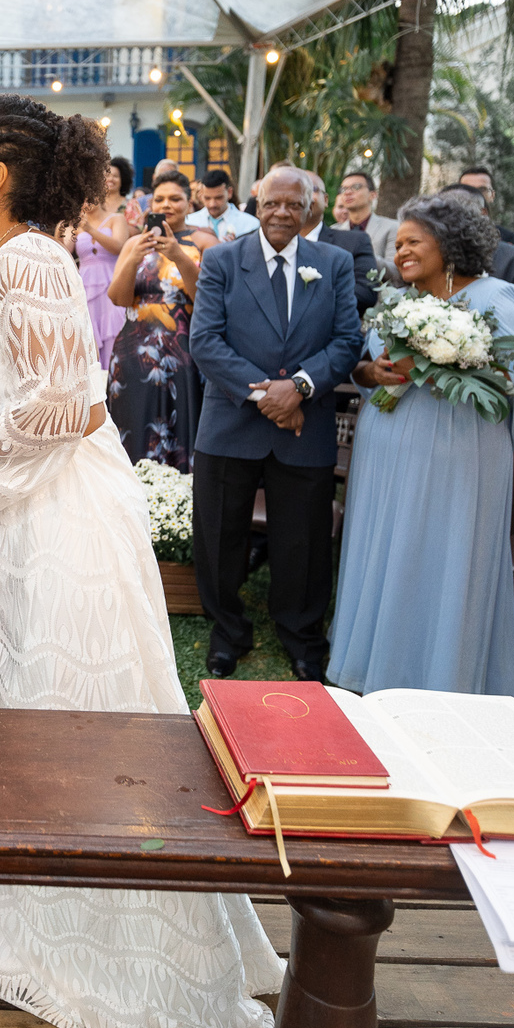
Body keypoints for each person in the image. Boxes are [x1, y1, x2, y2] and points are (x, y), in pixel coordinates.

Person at [0, 94, 282, 1028]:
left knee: (73, 719)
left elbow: (73, 410)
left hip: (64, 527)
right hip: (16, 521)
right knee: (22, 715)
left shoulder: (34, 261)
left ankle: (121, 950)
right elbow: (13, 390)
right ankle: (34, 921)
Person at [328, 196, 514, 695]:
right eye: (398, 244)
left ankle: (445, 677)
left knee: (446, 554)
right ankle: (377, 670)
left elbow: (513, 381)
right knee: (387, 548)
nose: (401, 252)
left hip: (462, 453)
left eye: (413, 241)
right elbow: (363, 367)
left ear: (448, 244)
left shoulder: (497, 298)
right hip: (388, 447)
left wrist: (458, 367)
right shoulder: (396, 301)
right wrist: (372, 372)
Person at [189, 167, 363, 680]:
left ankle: (303, 637)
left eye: (293, 204)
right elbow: (206, 341)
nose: (282, 213)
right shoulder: (221, 260)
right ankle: (227, 631)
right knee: (219, 536)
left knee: (303, 541)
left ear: (310, 208)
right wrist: (267, 395)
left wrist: (301, 387)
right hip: (232, 423)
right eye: (272, 203)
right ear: (256, 206)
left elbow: (347, 340)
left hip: (304, 427)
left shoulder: (333, 263)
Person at [106, 170, 216, 469]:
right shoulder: (135, 243)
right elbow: (118, 298)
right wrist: (133, 258)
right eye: (159, 199)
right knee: (133, 427)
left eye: (175, 199)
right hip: (132, 354)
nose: (166, 204)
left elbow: (207, 298)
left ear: (189, 203)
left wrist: (179, 256)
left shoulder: (205, 242)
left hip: (182, 353)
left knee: (180, 430)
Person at [71, 157, 133, 368]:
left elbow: (119, 246)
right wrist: (65, 227)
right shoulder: (76, 223)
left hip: (111, 280)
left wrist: (90, 229)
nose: (87, 201)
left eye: (91, 195)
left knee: (114, 333)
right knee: (87, 337)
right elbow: (63, 250)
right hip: (85, 284)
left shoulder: (117, 219)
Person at [301, 171, 377, 313]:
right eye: (296, 190)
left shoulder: (353, 242)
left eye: (312, 189)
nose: (302, 196)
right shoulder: (267, 245)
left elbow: (365, 294)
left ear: (325, 199)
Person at [441, 184, 514, 282]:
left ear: (483, 213)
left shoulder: (512, 259)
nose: (451, 218)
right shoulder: (432, 256)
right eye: (442, 212)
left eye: (461, 210)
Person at [334, 168, 399, 272]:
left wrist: (362, 254)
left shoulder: (392, 227)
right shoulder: (334, 231)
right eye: (343, 189)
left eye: (356, 187)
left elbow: (395, 270)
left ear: (373, 195)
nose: (347, 192)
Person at [186, 168, 260, 242]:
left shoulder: (250, 225)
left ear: (229, 192)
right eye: (207, 198)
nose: (212, 204)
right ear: (201, 195)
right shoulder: (189, 222)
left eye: (218, 198)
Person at [459, 166, 514, 243]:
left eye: (482, 190)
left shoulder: (506, 238)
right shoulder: (445, 234)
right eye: (468, 189)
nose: (475, 195)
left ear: (492, 195)